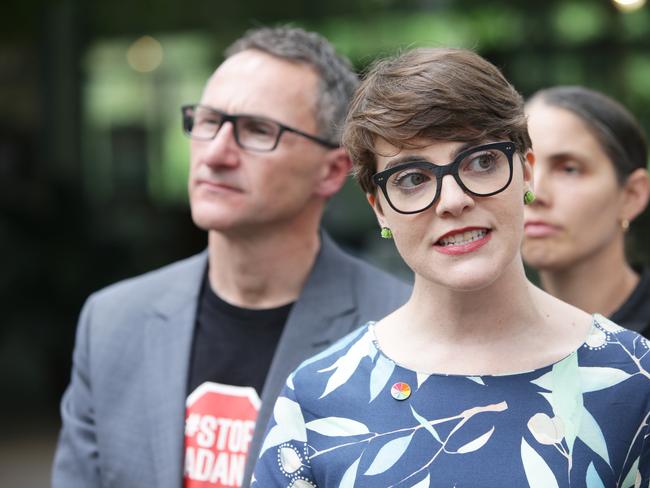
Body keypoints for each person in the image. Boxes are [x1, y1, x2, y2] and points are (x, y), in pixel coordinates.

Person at [252, 48, 650, 487]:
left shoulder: (632, 378)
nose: (453, 200)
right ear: (380, 209)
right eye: (412, 178)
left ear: (527, 172)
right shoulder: (317, 397)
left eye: (481, 162)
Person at [51, 27, 411, 488]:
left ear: (333, 170)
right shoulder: (112, 322)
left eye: (257, 130)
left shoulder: (398, 329)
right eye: (207, 121)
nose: (216, 153)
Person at [523, 86, 650, 335]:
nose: (534, 194)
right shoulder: (493, 344)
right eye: (523, 168)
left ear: (632, 195)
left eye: (569, 169)